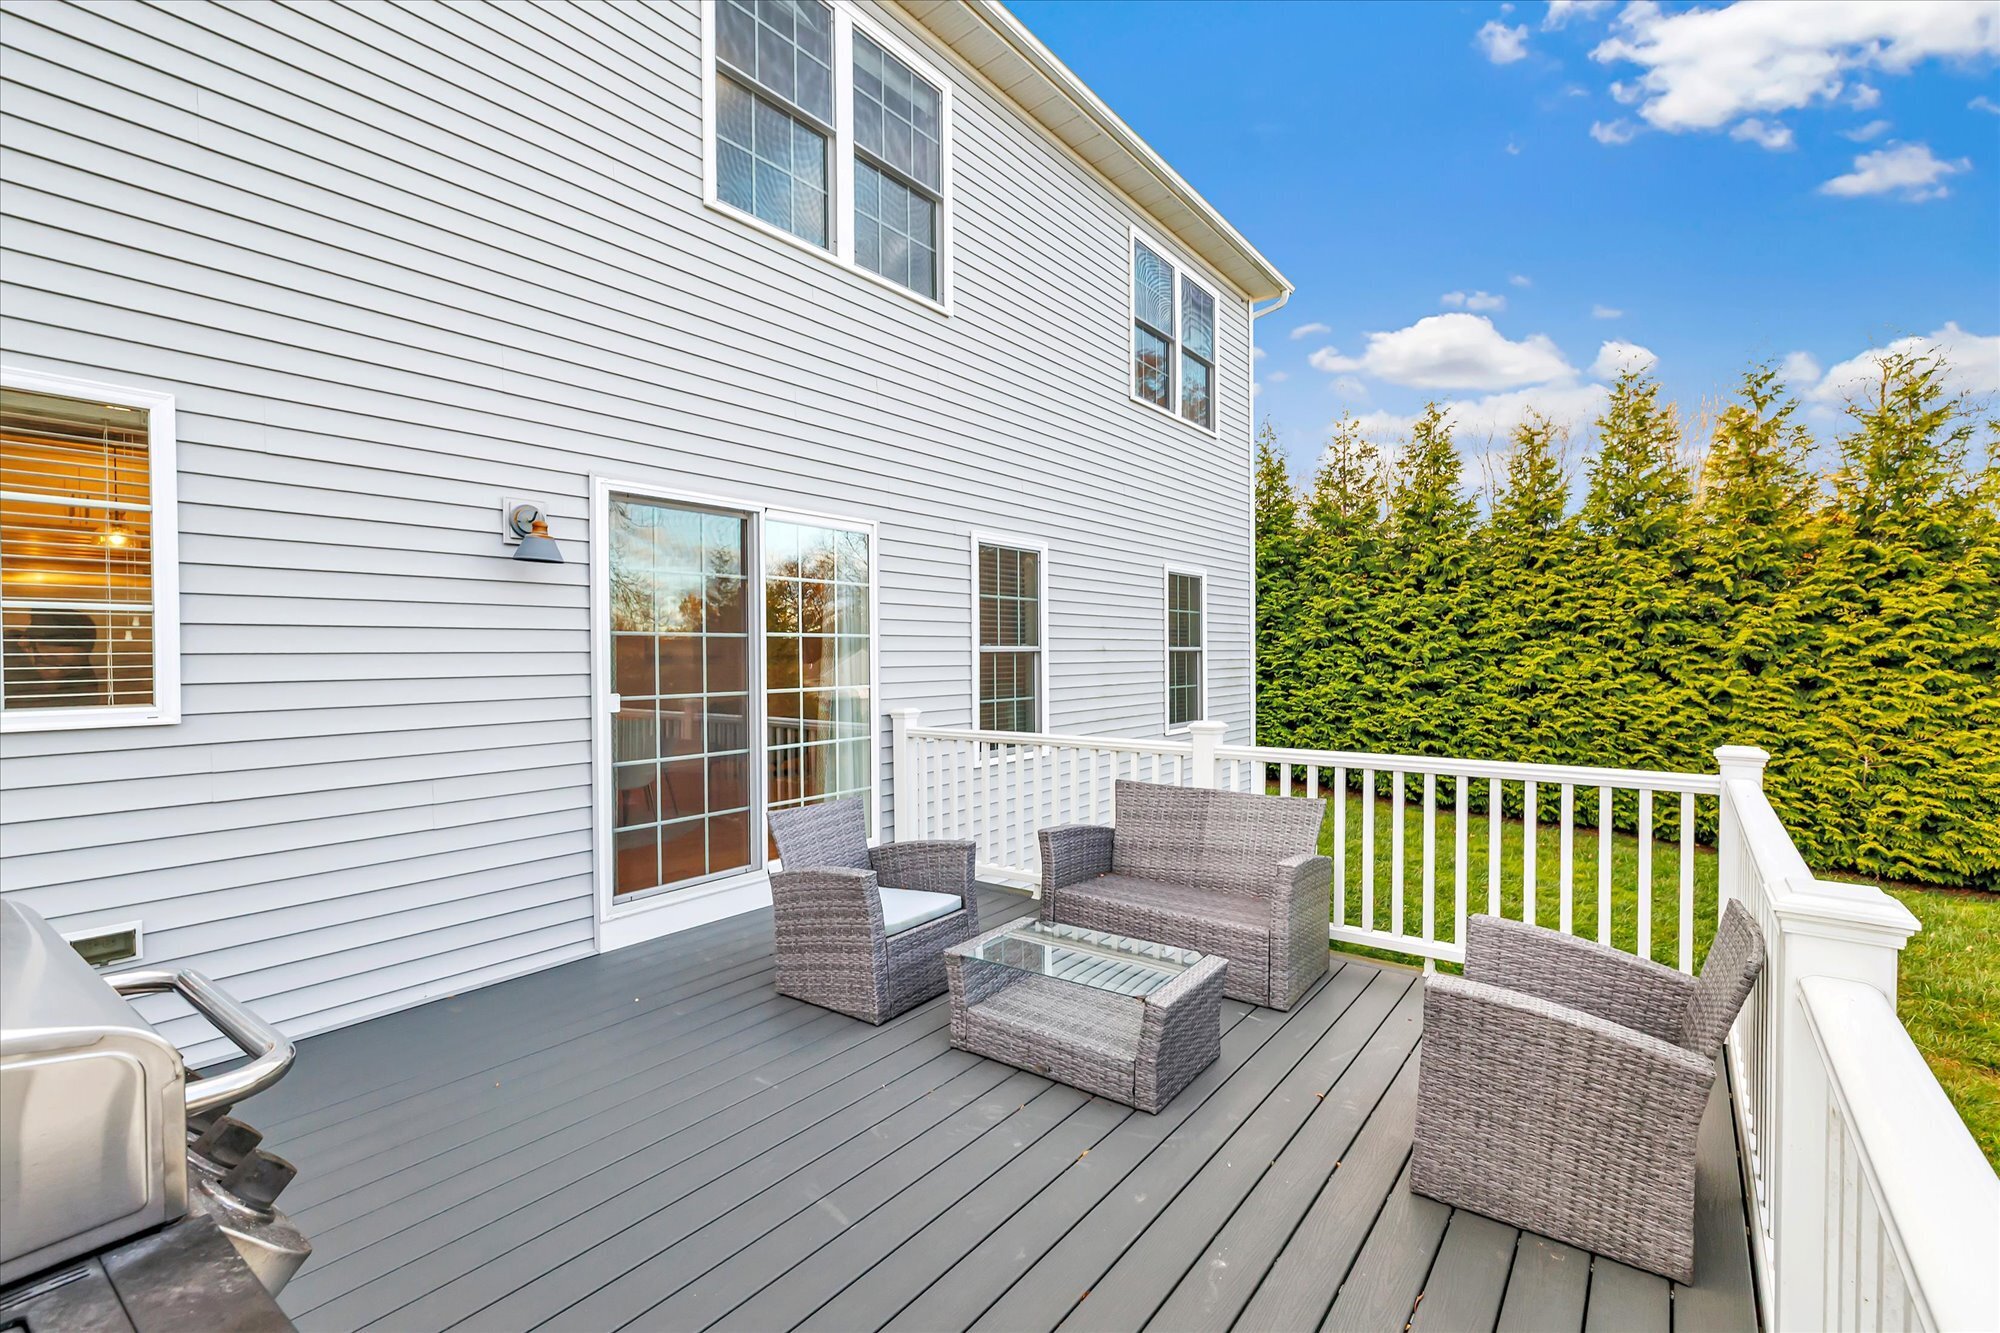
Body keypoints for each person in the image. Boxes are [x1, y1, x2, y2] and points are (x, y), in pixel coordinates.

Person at [3, 610, 105, 708]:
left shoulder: (80, 668)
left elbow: (87, 706)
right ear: (25, 644)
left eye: (71, 666)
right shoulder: (7, 658)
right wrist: (47, 687)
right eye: (53, 662)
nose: (61, 672)